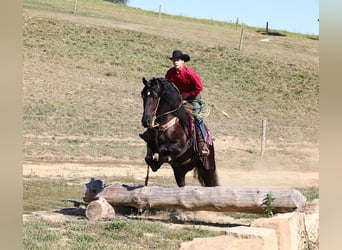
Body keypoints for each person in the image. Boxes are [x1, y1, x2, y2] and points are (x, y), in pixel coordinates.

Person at [165, 50, 209, 156]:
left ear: (183, 61)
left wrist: (187, 95)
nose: (176, 62)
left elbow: (199, 87)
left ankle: (203, 143)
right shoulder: (170, 73)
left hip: (194, 98)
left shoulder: (190, 73)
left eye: (178, 60)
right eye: (174, 60)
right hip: (178, 99)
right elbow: (168, 86)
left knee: (198, 118)